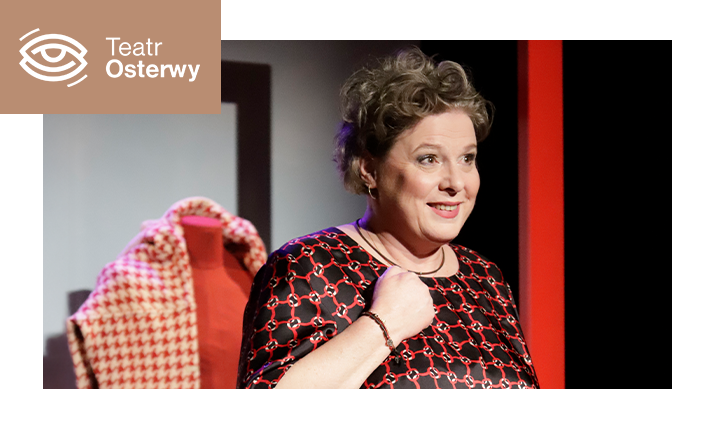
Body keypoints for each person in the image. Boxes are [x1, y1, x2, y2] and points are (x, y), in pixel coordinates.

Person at [237, 47, 539, 389]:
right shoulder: (309, 266)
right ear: (369, 168)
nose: (456, 182)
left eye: (467, 159)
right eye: (429, 159)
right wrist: (384, 323)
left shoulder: (485, 277)